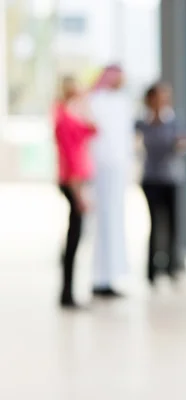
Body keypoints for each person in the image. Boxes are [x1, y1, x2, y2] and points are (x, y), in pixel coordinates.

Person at [88, 65, 135, 297]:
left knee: (115, 223)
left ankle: (112, 275)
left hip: (117, 172)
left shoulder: (122, 102)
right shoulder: (96, 101)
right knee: (102, 224)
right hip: (101, 170)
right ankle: (100, 277)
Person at [136, 82, 186, 284]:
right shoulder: (144, 122)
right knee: (154, 224)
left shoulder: (175, 120)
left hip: (171, 178)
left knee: (172, 224)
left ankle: (171, 267)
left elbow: (182, 144)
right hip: (151, 179)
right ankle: (152, 270)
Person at [53, 76, 96, 309]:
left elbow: (93, 129)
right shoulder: (64, 120)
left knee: (75, 236)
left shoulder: (70, 116)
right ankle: (67, 292)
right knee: (73, 239)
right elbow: (70, 160)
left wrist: (85, 105)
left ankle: (68, 291)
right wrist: (79, 193)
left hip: (76, 182)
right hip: (73, 183)